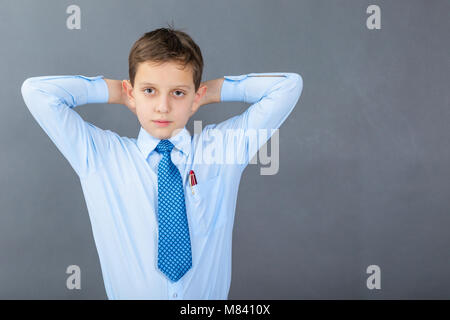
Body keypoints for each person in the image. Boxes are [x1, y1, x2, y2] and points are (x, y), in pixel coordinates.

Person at [20, 27, 303, 299]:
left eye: (177, 93)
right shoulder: (100, 156)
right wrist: (118, 93)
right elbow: (38, 93)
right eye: (149, 91)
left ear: (196, 97)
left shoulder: (222, 150)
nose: (163, 107)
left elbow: (287, 87)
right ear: (132, 93)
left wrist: (206, 93)